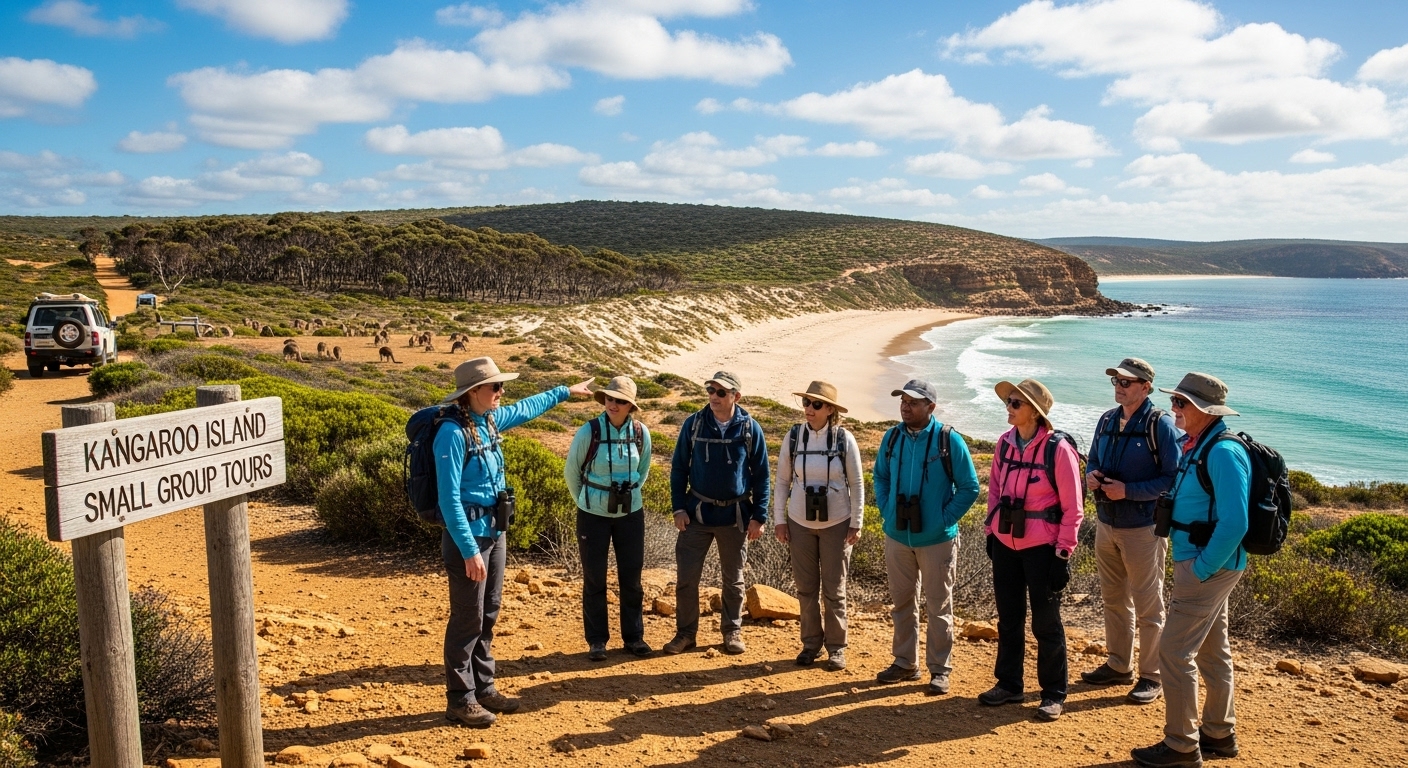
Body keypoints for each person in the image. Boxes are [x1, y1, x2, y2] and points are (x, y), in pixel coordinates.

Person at [436, 357, 593, 728]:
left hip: (495, 532)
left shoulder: (488, 420)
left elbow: (526, 408)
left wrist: (565, 392)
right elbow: (449, 500)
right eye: (495, 387)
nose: (501, 393)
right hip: (470, 539)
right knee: (467, 617)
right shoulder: (452, 434)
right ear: (473, 392)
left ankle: (484, 688)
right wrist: (469, 550)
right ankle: (460, 698)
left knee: (488, 612)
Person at [1132, 373, 1250, 768]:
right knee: (1213, 650)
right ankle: (1219, 733)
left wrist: (1199, 570)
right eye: (1176, 401)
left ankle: (1181, 746)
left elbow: (1236, 522)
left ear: (1205, 410)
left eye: (1181, 403)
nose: (1174, 409)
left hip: (1205, 567)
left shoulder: (1222, 452)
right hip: (1203, 564)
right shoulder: (1200, 444)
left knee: (1174, 650)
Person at [979, 378, 1084, 722]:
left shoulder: (1058, 449)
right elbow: (994, 489)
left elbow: (1073, 508)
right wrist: (991, 530)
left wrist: (1063, 553)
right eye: (1008, 402)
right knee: (1009, 619)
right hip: (1006, 542)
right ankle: (1009, 684)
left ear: (1035, 413)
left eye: (1015, 404)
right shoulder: (1005, 444)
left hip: (1043, 549)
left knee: (1046, 624)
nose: (1008, 408)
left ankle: (1053, 693)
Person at [1082, 358, 1181, 705]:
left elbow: (1173, 478)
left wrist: (1129, 491)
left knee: (1148, 604)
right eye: (1117, 381)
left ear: (1146, 388)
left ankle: (1152, 675)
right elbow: (1092, 459)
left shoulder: (1161, 425)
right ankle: (1118, 664)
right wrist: (1091, 476)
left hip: (1143, 529)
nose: (1120, 387)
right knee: (1113, 599)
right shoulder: (1107, 420)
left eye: (1128, 381)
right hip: (1106, 525)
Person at [873, 379, 981, 694]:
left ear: (930, 407)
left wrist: (942, 519)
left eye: (914, 402)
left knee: (938, 606)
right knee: (902, 603)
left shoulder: (949, 441)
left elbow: (970, 487)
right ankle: (905, 663)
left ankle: (940, 670)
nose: (906, 406)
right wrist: (887, 511)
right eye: (903, 400)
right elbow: (881, 475)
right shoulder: (892, 438)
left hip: (936, 540)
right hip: (897, 536)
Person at [665, 370, 771, 656]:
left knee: (733, 580)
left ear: (736, 396)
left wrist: (759, 516)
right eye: (710, 390)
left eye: (721, 392)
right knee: (687, 579)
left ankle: (732, 631)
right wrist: (678, 508)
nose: (714, 396)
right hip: (696, 515)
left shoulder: (750, 428)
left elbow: (762, 475)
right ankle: (686, 634)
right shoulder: (694, 424)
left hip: (734, 516)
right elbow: (678, 469)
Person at [773, 381, 865, 672]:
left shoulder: (843, 439)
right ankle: (810, 644)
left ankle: (836, 649)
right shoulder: (793, 437)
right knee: (806, 588)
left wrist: (856, 522)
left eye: (815, 405)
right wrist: (779, 520)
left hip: (837, 523)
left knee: (834, 590)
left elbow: (857, 483)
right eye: (806, 403)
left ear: (830, 410)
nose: (808, 410)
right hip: (800, 522)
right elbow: (782, 482)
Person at [565, 375, 654, 662]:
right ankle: (597, 641)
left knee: (632, 578)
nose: (613, 404)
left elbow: (642, 471)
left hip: (630, 514)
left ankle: (634, 638)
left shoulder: (641, 433)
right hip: (592, 515)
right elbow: (572, 473)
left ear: (631, 406)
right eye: (609, 398)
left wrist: (626, 495)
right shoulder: (588, 432)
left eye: (620, 401)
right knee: (594, 579)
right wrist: (587, 500)